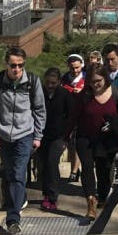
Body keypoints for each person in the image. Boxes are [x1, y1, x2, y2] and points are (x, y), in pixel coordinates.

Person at [0, 46, 45, 234]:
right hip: (3, 136)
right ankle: (20, 198)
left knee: (18, 175)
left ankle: (13, 220)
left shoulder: (32, 82)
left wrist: (38, 135)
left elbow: (40, 110)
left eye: (20, 65)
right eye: (13, 65)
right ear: (6, 64)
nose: (17, 69)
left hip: (24, 134)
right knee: (10, 175)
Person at [69, 63, 118, 220]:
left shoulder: (117, 94)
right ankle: (90, 202)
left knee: (104, 171)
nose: (95, 85)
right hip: (86, 138)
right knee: (87, 168)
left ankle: (103, 196)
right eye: (91, 82)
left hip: (107, 141)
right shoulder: (84, 95)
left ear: (105, 78)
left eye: (98, 81)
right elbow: (73, 117)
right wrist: (65, 136)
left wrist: (113, 125)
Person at [37, 68, 72, 212]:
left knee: (52, 162)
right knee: (44, 165)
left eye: (53, 83)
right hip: (42, 135)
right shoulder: (39, 94)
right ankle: (46, 194)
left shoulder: (64, 95)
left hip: (58, 136)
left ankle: (52, 196)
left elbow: (71, 116)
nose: (50, 85)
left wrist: (66, 135)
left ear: (58, 82)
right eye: (48, 82)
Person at [59, 53, 85, 181]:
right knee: (69, 144)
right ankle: (75, 168)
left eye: (77, 68)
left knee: (77, 143)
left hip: (82, 116)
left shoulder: (87, 79)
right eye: (72, 68)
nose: (75, 71)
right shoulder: (63, 80)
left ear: (81, 66)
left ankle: (74, 172)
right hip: (67, 116)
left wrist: (83, 92)